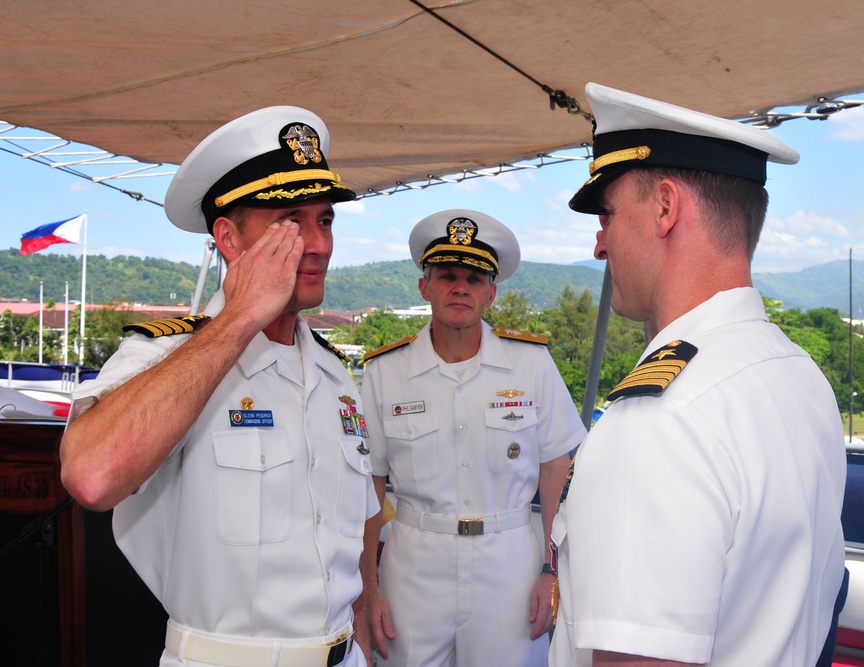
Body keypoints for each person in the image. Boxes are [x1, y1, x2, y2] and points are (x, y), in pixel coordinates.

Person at [59, 106, 380, 667]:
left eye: (324, 221)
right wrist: (237, 320)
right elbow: (91, 477)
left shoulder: (334, 376)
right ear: (229, 238)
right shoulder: (164, 357)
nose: (319, 245)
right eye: (290, 222)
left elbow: (353, 527)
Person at [548, 83, 847, 667]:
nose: (598, 244)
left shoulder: (661, 419)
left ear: (665, 207)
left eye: (607, 214)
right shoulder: (801, 376)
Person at [354, 209, 588, 667]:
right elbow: (369, 484)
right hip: (413, 568)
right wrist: (369, 589)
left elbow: (556, 469)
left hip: (511, 566)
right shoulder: (385, 372)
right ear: (425, 286)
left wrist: (552, 569)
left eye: (474, 279)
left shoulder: (531, 364)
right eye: (446, 276)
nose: (460, 287)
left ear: (491, 294)